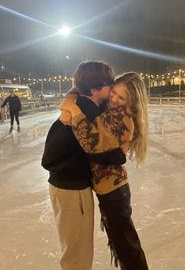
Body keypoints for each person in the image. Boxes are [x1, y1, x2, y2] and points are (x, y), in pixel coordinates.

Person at [41, 61, 126, 270]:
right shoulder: (85, 112)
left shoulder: (79, 104)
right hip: (71, 189)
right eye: (109, 85)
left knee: (77, 250)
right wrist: (119, 154)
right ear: (95, 89)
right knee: (77, 254)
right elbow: (95, 150)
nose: (112, 89)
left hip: (67, 186)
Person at [60, 72, 149, 270]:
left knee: (127, 246)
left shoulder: (122, 117)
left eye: (121, 97)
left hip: (114, 192)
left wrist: (73, 111)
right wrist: (68, 100)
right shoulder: (108, 110)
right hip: (108, 190)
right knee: (120, 244)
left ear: (131, 102)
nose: (114, 99)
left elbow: (91, 143)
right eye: (114, 92)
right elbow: (80, 86)